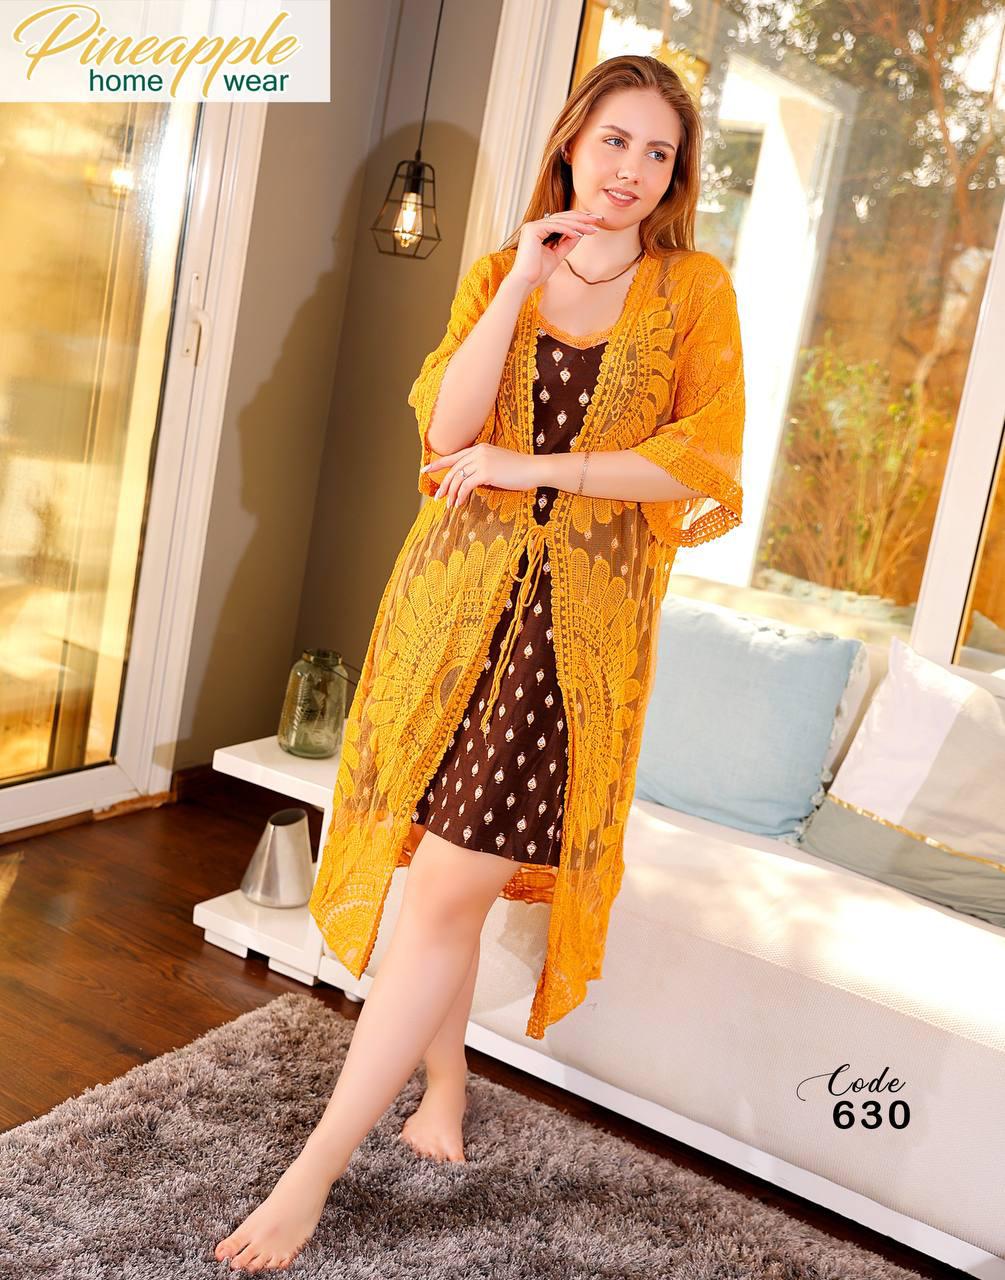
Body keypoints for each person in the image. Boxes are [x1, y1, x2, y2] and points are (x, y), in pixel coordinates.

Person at [214, 52, 745, 1274]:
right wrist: (522, 275)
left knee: (447, 892)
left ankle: (311, 1173)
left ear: (677, 175)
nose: (632, 170)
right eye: (615, 141)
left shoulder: (693, 291)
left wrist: (539, 469)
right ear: (572, 143)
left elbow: (701, 465)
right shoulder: (510, 267)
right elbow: (449, 430)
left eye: (658, 153)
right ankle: (441, 1087)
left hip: (572, 644)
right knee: (430, 881)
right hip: (452, 616)